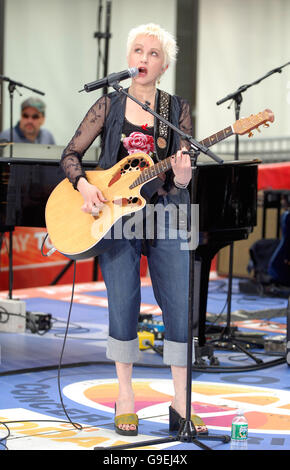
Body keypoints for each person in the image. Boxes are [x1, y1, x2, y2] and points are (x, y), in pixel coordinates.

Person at [60, 23, 207, 437]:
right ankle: (125, 396)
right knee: (122, 301)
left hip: (168, 212)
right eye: (138, 51)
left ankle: (181, 402)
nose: (143, 58)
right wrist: (85, 184)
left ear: (164, 65)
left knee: (179, 305)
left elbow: (183, 174)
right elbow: (70, 154)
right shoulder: (107, 105)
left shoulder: (175, 108)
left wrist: (181, 179)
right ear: (128, 59)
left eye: (153, 53)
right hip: (117, 215)